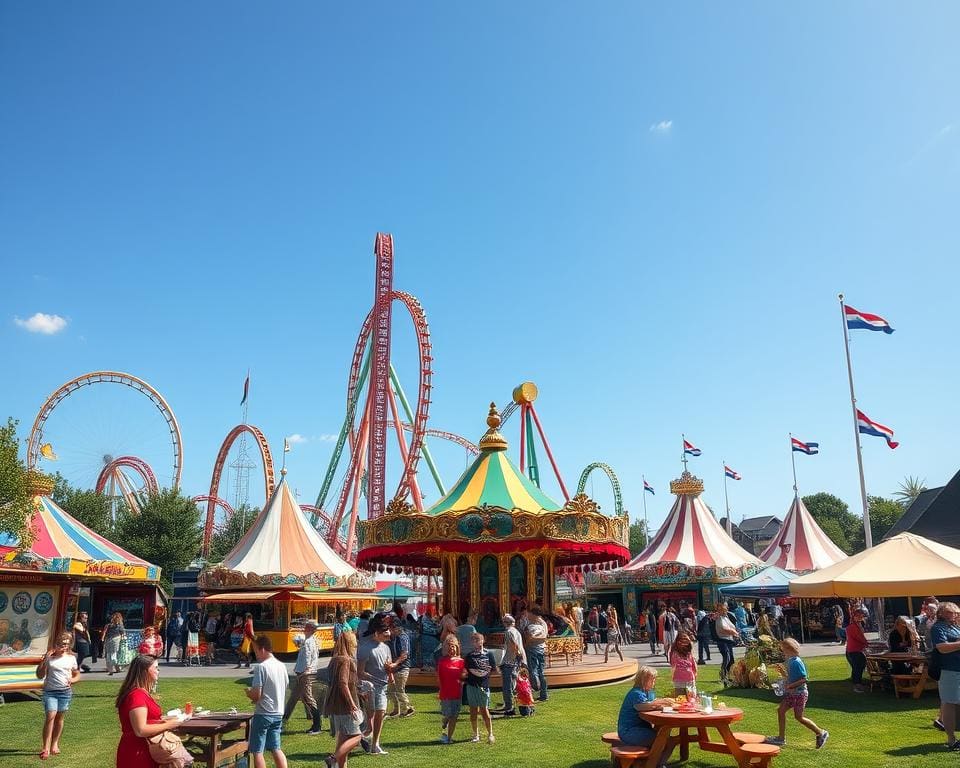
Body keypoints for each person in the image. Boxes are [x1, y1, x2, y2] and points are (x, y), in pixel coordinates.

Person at [115, 653, 187, 768]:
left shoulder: (141, 693)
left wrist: (163, 720)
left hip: (146, 749)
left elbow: (148, 720)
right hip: (137, 752)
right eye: (156, 668)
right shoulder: (137, 695)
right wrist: (169, 724)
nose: (158, 671)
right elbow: (140, 730)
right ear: (145, 671)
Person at [765, 638, 828, 749]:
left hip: (799, 694)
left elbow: (804, 679)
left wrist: (790, 686)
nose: (782, 651)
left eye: (783, 649)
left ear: (788, 648)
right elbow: (791, 676)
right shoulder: (790, 661)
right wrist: (782, 672)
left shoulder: (796, 662)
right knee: (780, 711)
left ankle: (821, 733)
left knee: (799, 717)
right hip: (792, 694)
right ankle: (781, 738)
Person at [357, 612, 398, 755]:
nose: (388, 634)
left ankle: (375, 744)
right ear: (376, 633)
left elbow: (388, 664)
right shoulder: (365, 647)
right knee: (370, 719)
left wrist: (390, 673)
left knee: (381, 713)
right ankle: (357, 738)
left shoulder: (386, 648)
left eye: (388, 631)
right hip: (368, 688)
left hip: (382, 687)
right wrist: (372, 679)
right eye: (385, 632)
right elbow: (359, 671)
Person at [245, 635, 289, 768]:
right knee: (276, 747)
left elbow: (256, 695)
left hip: (263, 713)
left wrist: (248, 693)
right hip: (278, 712)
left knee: (257, 751)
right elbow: (283, 686)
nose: (255, 654)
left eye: (256, 650)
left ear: (262, 649)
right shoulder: (282, 666)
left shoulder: (261, 667)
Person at [322, 631, 364, 768]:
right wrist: (352, 704)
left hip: (334, 704)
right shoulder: (345, 660)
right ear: (350, 643)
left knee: (342, 743)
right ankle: (332, 758)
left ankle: (337, 760)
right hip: (344, 705)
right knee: (357, 737)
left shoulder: (334, 659)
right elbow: (343, 683)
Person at [37, 631, 80, 760]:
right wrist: (45, 661)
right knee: (51, 716)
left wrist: (72, 680)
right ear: (56, 644)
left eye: (66, 644)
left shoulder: (71, 658)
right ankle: (45, 747)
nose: (64, 647)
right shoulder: (49, 657)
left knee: (59, 719)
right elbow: (39, 675)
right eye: (62, 644)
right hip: (50, 691)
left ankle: (55, 743)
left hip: (65, 692)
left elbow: (77, 674)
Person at [617, 664, 675, 749]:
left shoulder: (649, 692)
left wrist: (661, 702)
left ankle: (656, 760)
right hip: (630, 731)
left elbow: (653, 703)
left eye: (654, 679)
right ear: (643, 680)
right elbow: (644, 706)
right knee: (663, 739)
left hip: (641, 729)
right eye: (651, 680)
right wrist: (660, 703)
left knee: (664, 736)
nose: (654, 682)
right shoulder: (636, 693)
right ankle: (656, 761)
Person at [283, 619, 323, 735]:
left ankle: (317, 725)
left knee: (308, 698)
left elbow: (307, 659)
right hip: (305, 673)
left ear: (310, 628)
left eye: (306, 626)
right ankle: (312, 722)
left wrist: (304, 673)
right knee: (303, 697)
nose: (304, 628)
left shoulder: (309, 642)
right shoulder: (311, 641)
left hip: (305, 674)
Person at [932, 601, 960, 749]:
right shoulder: (938, 628)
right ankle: (951, 739)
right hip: (948, 670)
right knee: (949, 703)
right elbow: (942, 648)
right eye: (951, 612)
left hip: (958, 669)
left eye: (955, 612)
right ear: (941, 613)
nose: (954, 614)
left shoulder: (954, 626)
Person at [464, 632, 495, 744]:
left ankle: (490, 733)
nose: (476, 642)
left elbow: (493, 669)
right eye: (474, 640)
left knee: (484, 710)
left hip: (484, 686)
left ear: (483, 640)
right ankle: (475, 734)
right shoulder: (469, 656)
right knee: (473, 710)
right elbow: (466, 671)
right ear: (472, 643)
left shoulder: (489, 654)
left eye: (478, 639)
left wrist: (484, 678)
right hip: (472, 686)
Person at [436, 635, 465, 743]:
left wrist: (463, 678)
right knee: (448, 714)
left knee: (455, 715)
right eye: (449, 647)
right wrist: (440, 690)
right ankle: (445, 721)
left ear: (456, 647)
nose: (451, 649)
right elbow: (439, 678)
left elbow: (464, 676)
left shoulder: (461, 661)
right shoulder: (442, 662)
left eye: (453, 646)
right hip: (446, 692)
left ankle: (449, 737)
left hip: (457, 691)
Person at [499, 613, 526, 716]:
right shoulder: (516, 631)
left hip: (510, 661)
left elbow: (514, 645)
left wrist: (514, 657)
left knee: (507, 686)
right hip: (515, 661)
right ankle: (512, 705)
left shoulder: (508, 632)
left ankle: (509, 707)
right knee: (513, 684)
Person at [387, 618, 414, 718]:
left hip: (402, 667)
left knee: (399, 689)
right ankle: (396, 709)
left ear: (398, 628)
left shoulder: (403, 637)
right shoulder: (393, 638)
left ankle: (407, 709)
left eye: (392, 629)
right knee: (391, 690)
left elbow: (404, 654)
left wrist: (395, 663)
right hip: (395, 667)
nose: (390, 631)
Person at [523, 605, 549, 702]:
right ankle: (544, 693)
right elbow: (544, 637)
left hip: (532, 649)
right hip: (541, 648)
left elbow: (530, 638)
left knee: (533, 670)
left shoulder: (532, 626)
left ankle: (536, 686)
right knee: (541, 671)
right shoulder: (541, 624)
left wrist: (528, 643)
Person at [714, 602, 739, 685]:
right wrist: (733, 632)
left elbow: (731, 627)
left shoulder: (726, 617)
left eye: (726, 609)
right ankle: (723, 676)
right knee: (727, 658)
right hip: (723, 641)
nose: (726, 610)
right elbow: (723, 629)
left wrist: (734, 632)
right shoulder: (719, 618)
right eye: (724, 609)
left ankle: (730, 677)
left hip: (729, 641)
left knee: (731, 659)